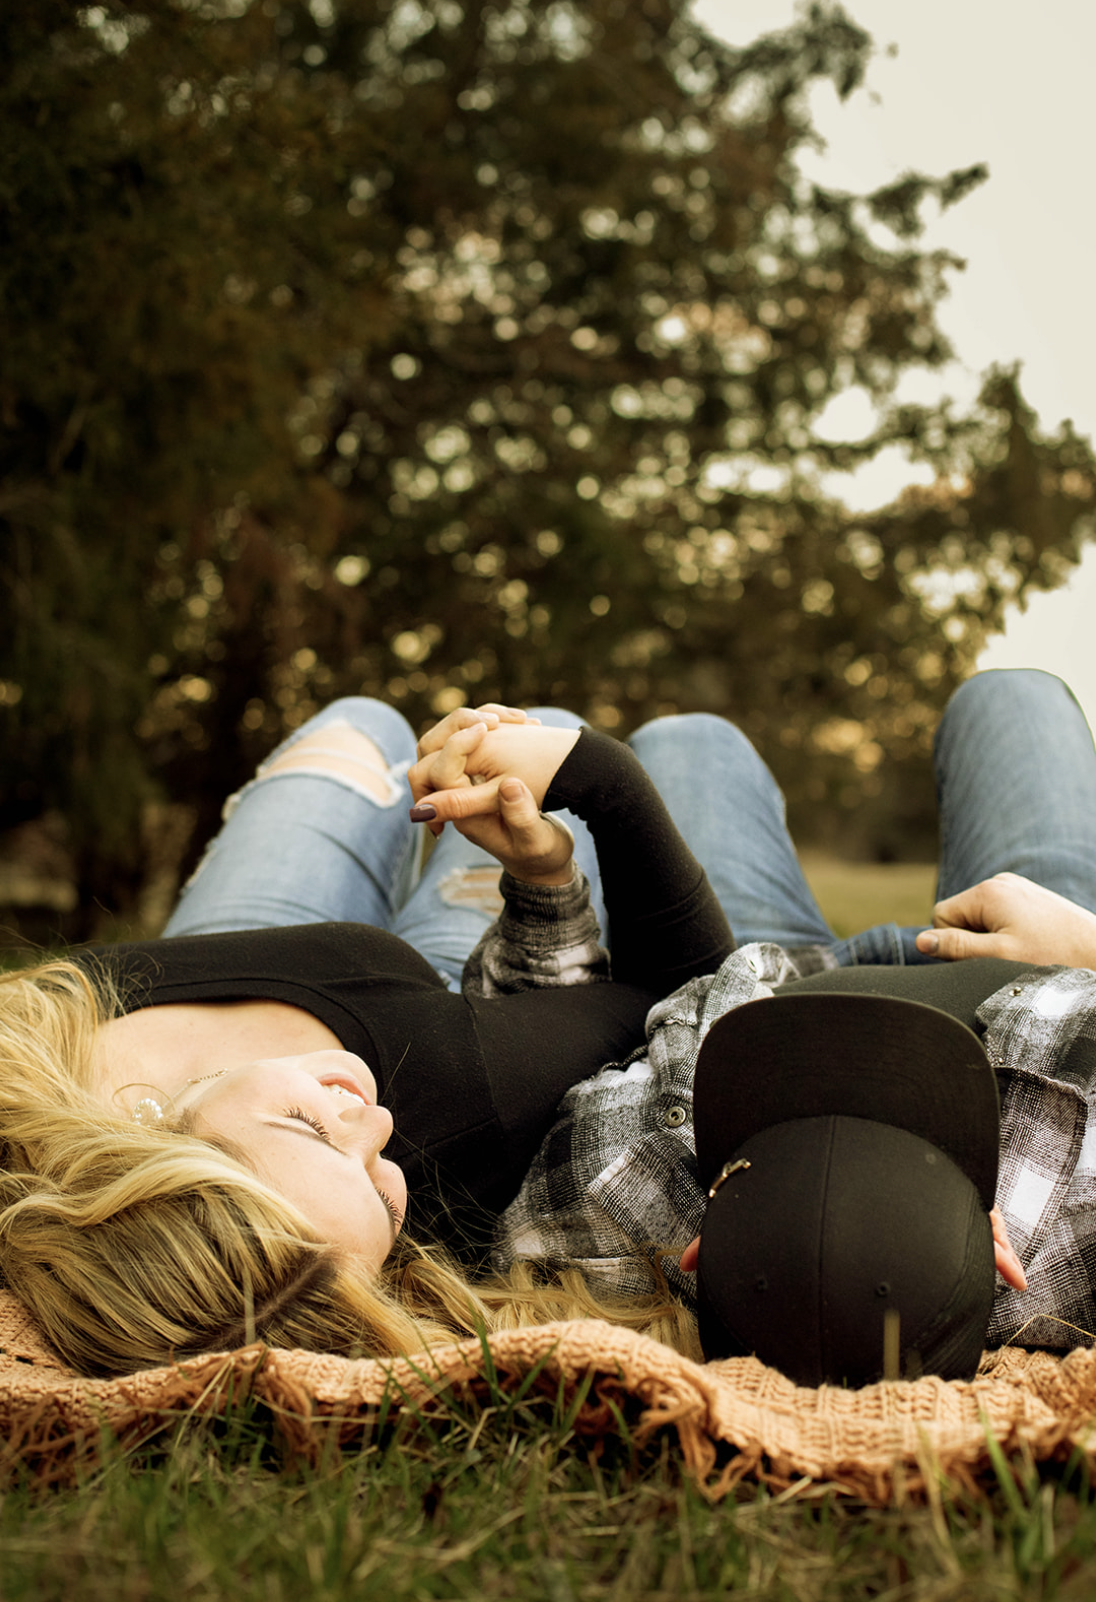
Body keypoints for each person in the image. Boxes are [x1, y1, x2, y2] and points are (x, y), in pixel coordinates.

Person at [0, 698, 734, 1375]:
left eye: (307, 1124)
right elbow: (689, 997)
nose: (376, 1123)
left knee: (361, 723)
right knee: (545, 732)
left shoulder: (23, 1068)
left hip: (249, 942)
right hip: (467, 997)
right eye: (384, 1204)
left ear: (148, 1147)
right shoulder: (466, 1099)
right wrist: (593, 790)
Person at [409, 668, 1096, 1381]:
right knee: (1017, 694)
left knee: (688, 736)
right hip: (1036, 942)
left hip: (738, 957)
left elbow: (546, 1044)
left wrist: (542, 882)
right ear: (999, 1255)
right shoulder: (1082, 1233)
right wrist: (1086, 945)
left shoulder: (590, 1231)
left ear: (697, 1255)